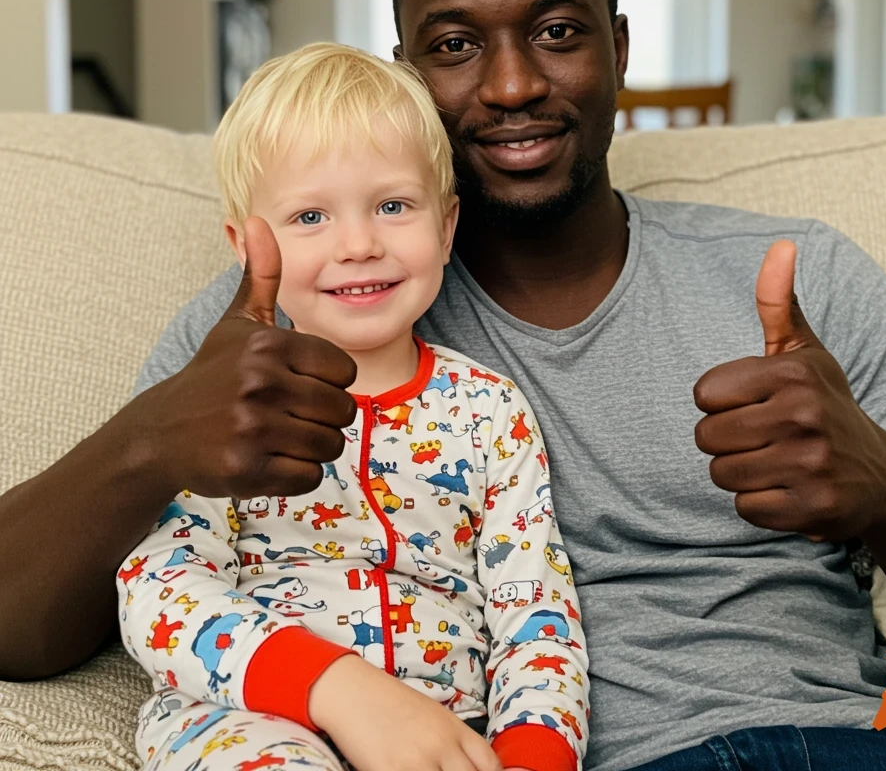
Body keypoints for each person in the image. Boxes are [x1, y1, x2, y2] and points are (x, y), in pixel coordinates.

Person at [2, 0, 886, 771]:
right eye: (453, 45)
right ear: (404, 69)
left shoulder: (801, 280)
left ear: (618, 48)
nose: (511, 84)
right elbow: (27, 626)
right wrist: (147, 444)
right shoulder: (279, 321)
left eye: (558, 30)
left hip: (874, 745)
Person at [117, 43, 588, 771]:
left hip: (448, 732)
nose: (360, 244)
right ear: (247, 248)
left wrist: (533, 750)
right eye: (310, 216)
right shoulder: (219, 403)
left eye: (393, 206)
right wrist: (324, 687)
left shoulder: (490, 411)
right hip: (248, 719)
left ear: (447, 225)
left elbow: (536, 612)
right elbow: (162, 587)